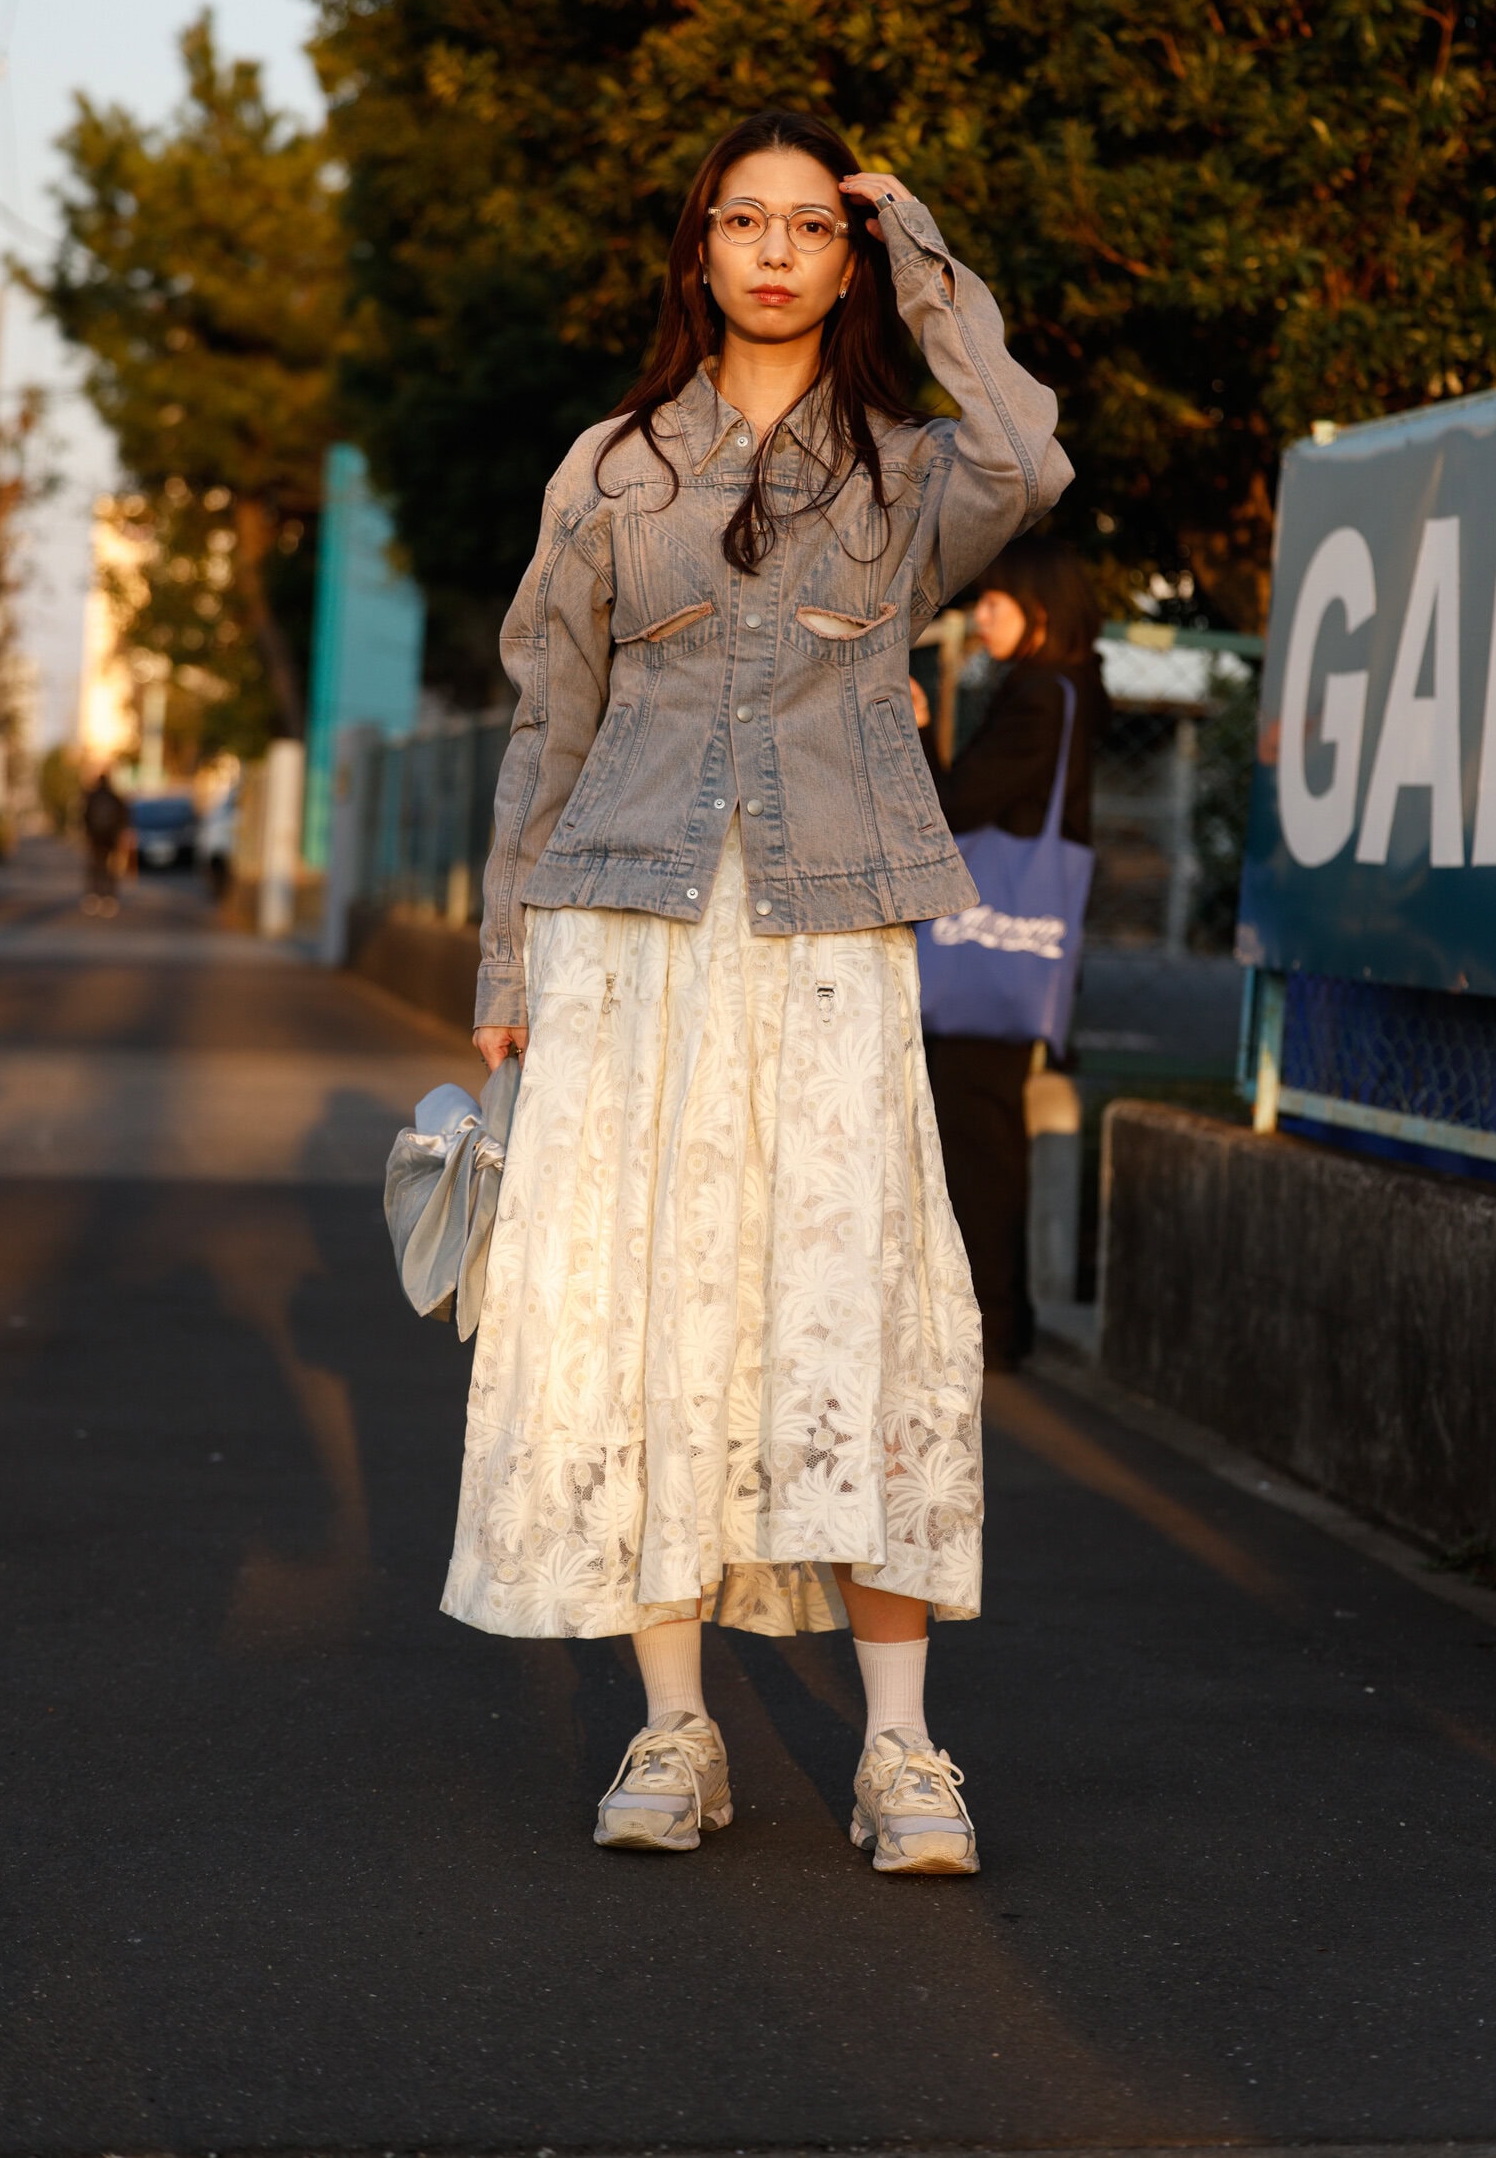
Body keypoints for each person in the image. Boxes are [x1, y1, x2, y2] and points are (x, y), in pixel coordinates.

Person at [458, 109, 1071, 1875]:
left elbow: (1027, 458)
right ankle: (674, 1726)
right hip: (622, 932)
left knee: (854, 1305)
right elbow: (547, 721)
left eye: (813, 225)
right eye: (747, 220)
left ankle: (901, 1752)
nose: (779, 251)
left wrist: (925, 254)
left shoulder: (906, 471)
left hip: (827, 935)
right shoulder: (610, 469)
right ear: (699, 247)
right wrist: (506, 957)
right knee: (651, 1308)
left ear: (845, 255)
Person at [910, 538, 1104, 1372]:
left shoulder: (1041, 697)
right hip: (1007, 955)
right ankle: (997, 1320)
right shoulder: (1063, 692)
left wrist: (919, 733)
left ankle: (988, 1328)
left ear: (1041, 612)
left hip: (987, 958)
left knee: (975, 1138)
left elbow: (954, 806)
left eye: (996, 602)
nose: (979, 614)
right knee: (980, 1134)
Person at [80, 769, 129, 916]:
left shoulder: (92, 796)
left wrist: (87, 834)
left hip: (95, 838)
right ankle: (110, 898)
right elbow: (124, 816)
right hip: (111, 839)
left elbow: (85, 817)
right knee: (111, 870)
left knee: (95, 868)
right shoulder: (114, 797)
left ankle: (93, 897)